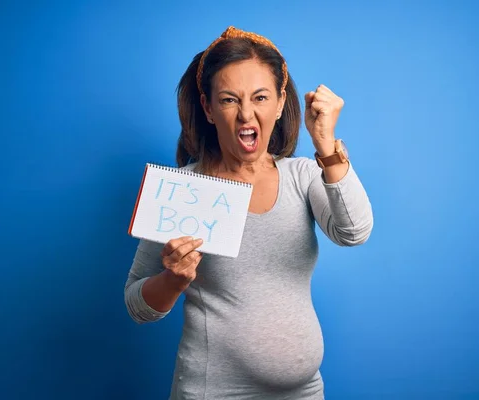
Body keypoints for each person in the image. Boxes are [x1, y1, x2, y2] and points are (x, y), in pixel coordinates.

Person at [124, 26, 373, 399]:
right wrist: (173, 281)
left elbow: (353, 231)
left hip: (304, 392)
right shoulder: (183, 191)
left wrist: (325, 145)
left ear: (278, 102)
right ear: (208, 108)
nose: (246, 114)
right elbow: (137, 306)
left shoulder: (302, 176)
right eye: (228, 100)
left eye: (260, 97)